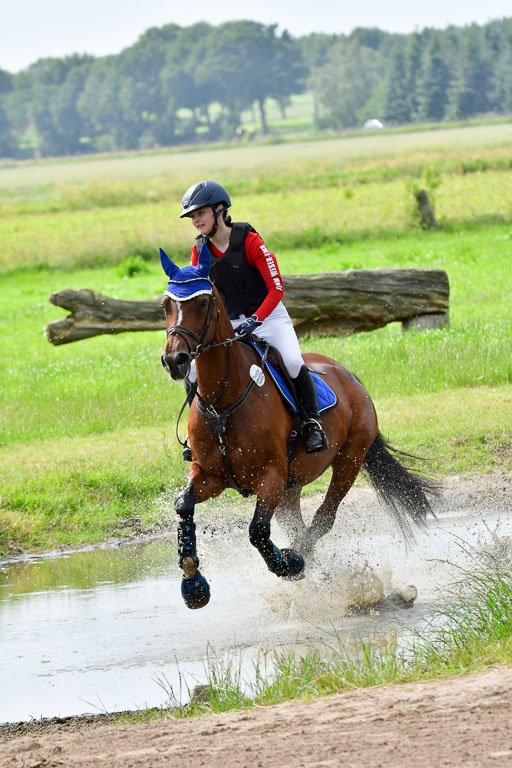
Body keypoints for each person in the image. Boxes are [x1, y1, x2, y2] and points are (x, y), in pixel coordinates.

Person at [179, 179, 329, 456]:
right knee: (191, 370)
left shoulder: (249, 240)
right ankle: (196, 434)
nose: (195, 220)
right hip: (230, 324)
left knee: (294, 361)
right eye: (192, 216)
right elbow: (197, 291)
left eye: (200, 213)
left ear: (219, 209)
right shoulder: (199, 251)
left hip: (269, 318)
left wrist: (257, 318)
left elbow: (277, 288)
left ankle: (312, 423)